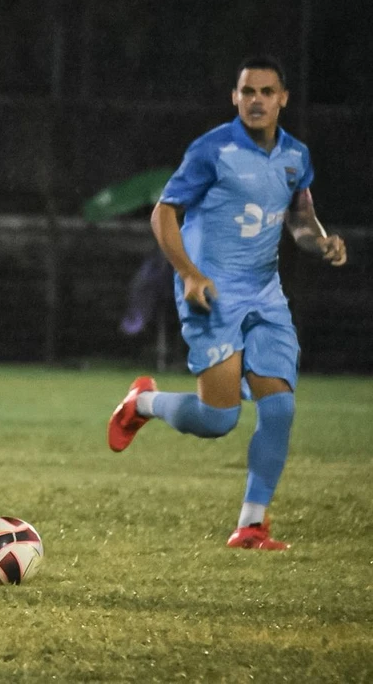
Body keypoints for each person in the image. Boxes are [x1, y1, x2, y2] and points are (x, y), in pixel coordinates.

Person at [108, 55, 348, 550]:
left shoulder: (296, 156)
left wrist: (321, 241)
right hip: (210, 291)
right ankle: (142, 403)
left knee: (279, 406)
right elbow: (162, 214)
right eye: (247, 92)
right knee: (218, 420)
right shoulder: (212, 149)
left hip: (265, 293)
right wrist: (189, 273)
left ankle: (251, 524)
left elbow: (300, 218)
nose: (255, 100)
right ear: (234, 98)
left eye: (266, 92)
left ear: (282, 98)